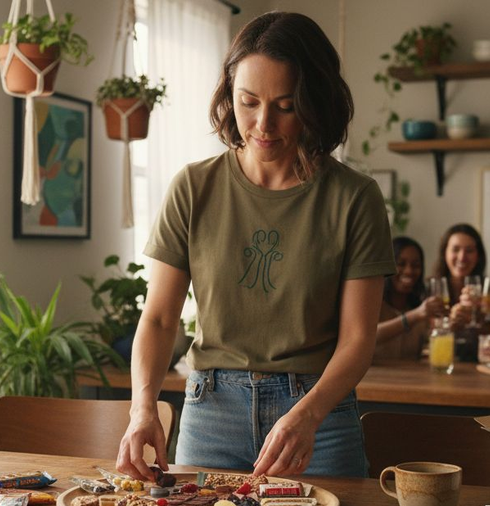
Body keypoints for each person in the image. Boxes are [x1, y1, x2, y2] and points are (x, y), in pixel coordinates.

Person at [116, 12, 395, 481]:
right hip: (212, 412)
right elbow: (160, 318)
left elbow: (357, 340)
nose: (263, 124)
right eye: (248, 102)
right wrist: (142, 408)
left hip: (318, 414)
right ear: (230, 96)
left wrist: (307, 415)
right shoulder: (194, 187)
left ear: (314, 103)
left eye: (285, 106)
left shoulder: (354, 198)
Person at [374, 237, 445, 362]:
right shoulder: (372, 302)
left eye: (416, 265)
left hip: (412, 380)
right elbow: (368, 337)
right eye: (401, 264)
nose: (409, 271)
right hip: (374, 380)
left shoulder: (422, 305)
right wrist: (415, 316)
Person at [430, 224, 486, 331]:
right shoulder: (430, 289)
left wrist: (476, 318)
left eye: (469, 251)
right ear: (444, 252)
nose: (462, 257)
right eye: (455, 249)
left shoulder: (486, 294)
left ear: (478, 256)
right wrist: (451, 322)